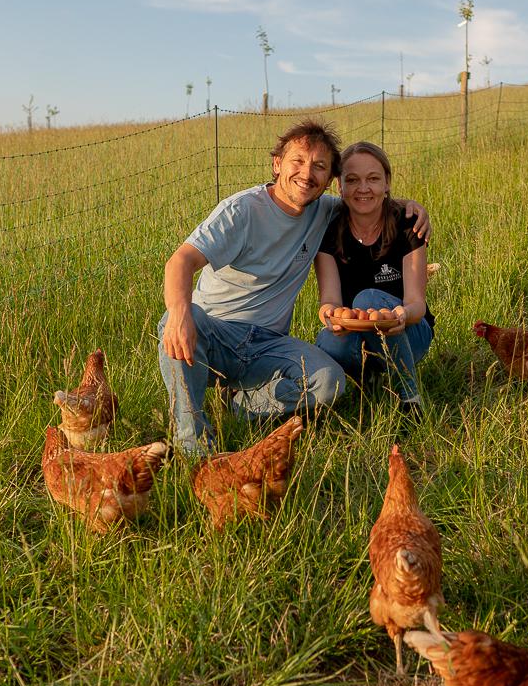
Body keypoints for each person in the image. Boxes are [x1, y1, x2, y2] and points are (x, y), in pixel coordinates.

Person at [158, 120, 429, 456]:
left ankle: (244, 405)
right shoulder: (241, 211)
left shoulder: (323, 211)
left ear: (329, 180)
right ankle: (193, 444)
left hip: (269, 343)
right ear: (277, 164)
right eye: (297, 161)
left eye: (319, 166)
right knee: (176, 319)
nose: (306, 174)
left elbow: (366, 198)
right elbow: (179, 262)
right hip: (215, 333)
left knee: (329, 382)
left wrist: (410, 207)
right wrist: (180, 313)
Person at [315, 141, 433, 410]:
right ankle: (367, 378)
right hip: (356, 333)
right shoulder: (328, 231)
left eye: (373, 179)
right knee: (328, 341)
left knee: (367, 298)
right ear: (340, 186)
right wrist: (331, 316)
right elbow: (329, 300)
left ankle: (409, 399)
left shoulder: (408, 224)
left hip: (410, 332)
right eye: (352, 180)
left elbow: (417, 305)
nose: (363, 188)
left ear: (387, 183)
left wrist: (401, 315)